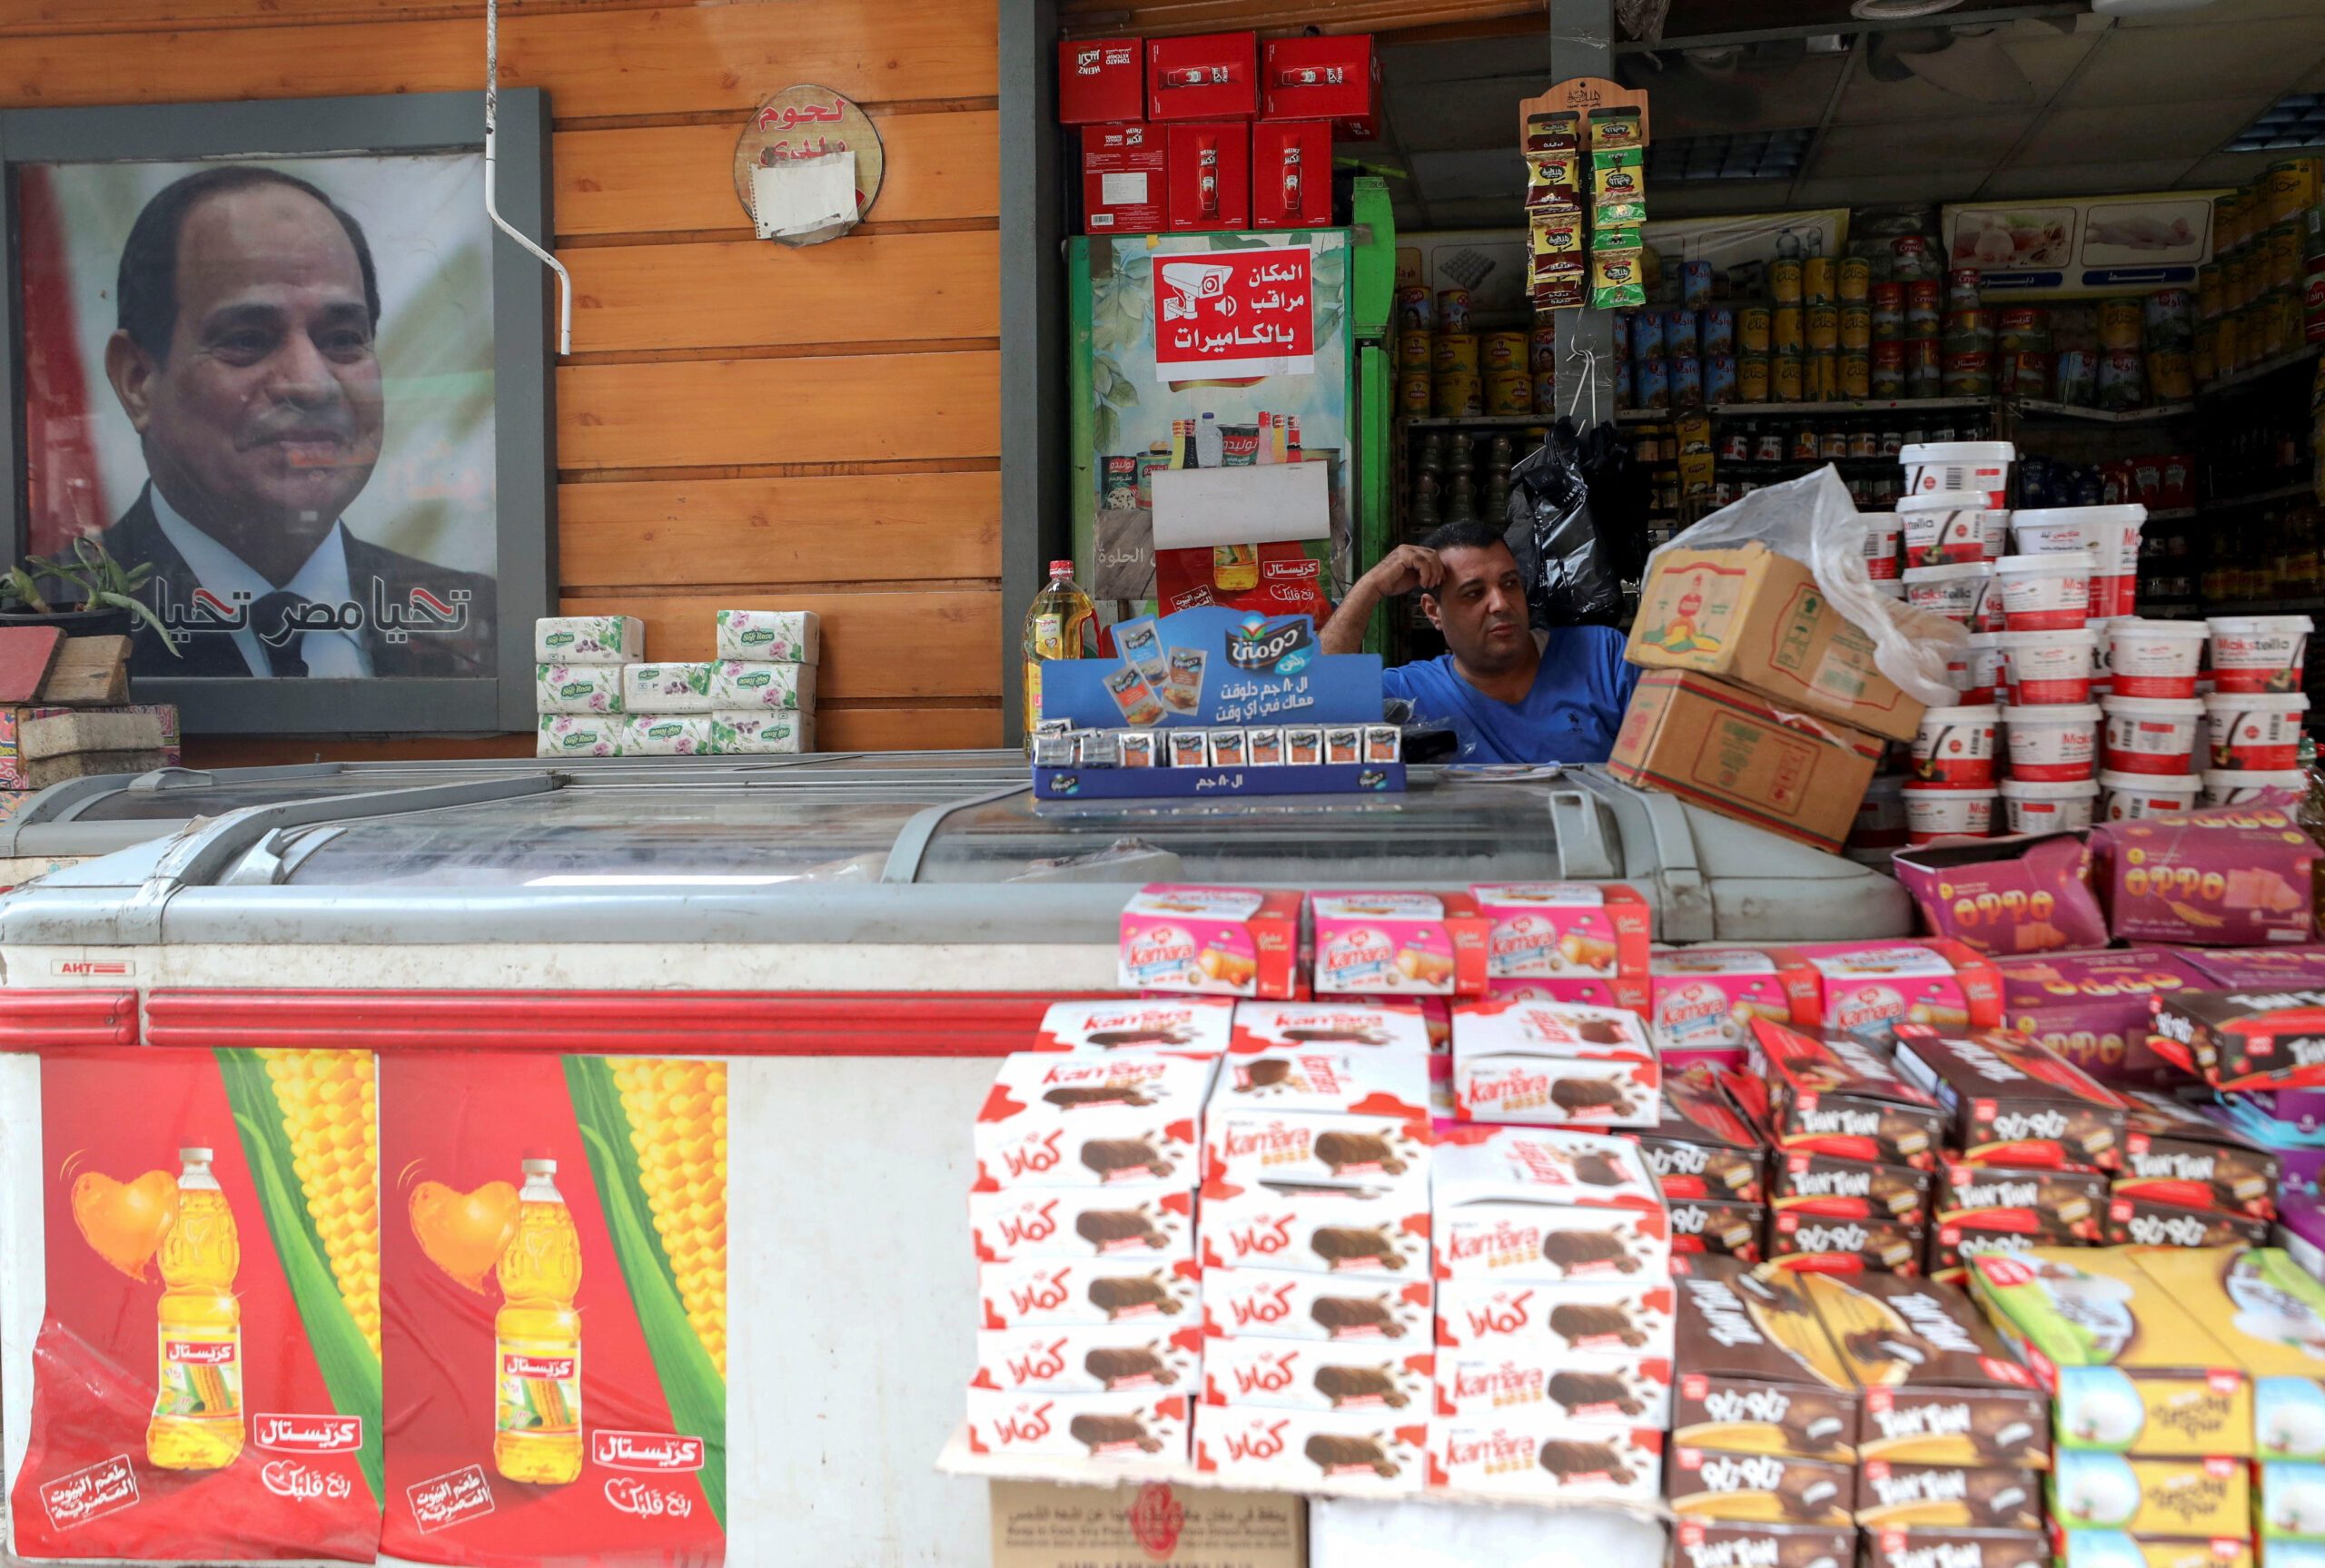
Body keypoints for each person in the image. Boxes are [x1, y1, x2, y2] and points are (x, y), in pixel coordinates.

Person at [98, 164, 495, 679]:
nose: (312, 384)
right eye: (247, 339)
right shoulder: (51, 623)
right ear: (137, 380)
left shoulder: (482, 625)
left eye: (343, 338)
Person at [1318, 520, 1637, 764]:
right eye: (1474, 593)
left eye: (1509, 583)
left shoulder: (1601, 657)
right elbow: (1312, 705)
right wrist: (1370, 587)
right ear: (1434, 612)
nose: (1500, 603)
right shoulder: (1409, 695)